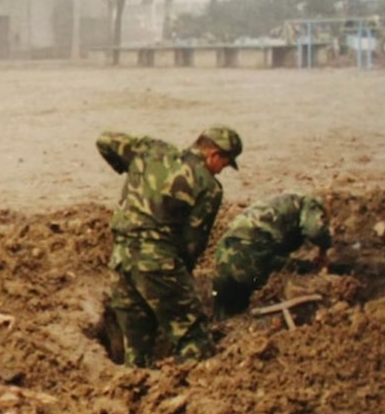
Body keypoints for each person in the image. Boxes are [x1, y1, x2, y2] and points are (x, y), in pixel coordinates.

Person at [97, 126, 242, 366]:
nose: (221, 171)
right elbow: (192, 244)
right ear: (214, 155)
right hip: (158, 261)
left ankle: (134, 387)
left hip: (121, 258)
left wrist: (126, 169)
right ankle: (194, 393)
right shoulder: (208, 186)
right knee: (195, 338)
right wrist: (179, 280)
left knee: (136, 340)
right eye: (224, 165)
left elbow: (104, 140)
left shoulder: (152, 150)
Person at [211, 193, 332, 317]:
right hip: (252, 248)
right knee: (294, 271)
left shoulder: (282, 204)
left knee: (225, 308)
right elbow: (315, 231)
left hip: (226, 248)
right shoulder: (311, 203)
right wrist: (325, 247)